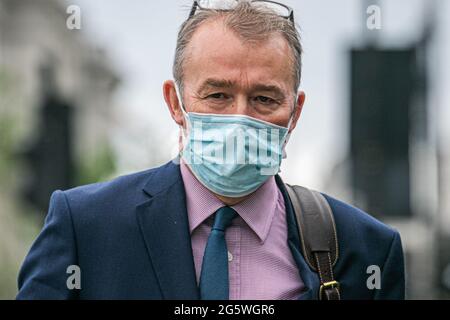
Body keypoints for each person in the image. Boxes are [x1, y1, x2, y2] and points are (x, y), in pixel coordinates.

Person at [17, 0, 405, 300]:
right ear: (175, 102)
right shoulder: (85, 227)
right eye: (217, 95)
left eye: (264, 98)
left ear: (296, 111)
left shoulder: (365, 249)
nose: (240, 118)